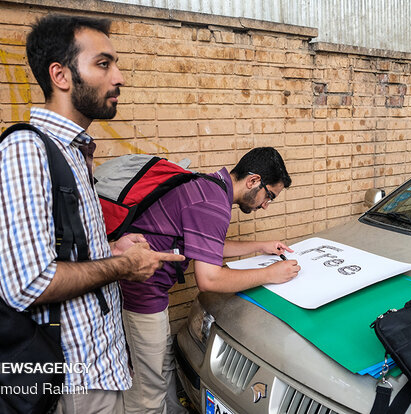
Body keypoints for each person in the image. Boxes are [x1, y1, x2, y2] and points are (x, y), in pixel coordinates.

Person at [0, 14, 183, 414]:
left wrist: (110, 247)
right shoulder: (27, 153)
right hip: (72, 381)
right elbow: (27, 282)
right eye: (104, 64)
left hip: (99, 369)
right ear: (61, 75)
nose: (119, 77)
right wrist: (124, 265)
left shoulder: (72, 151)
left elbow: (64, 250)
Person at [119, 147, 301, 413]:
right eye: (269, 196)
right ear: (253, 181)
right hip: (142, 294)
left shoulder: (209, 185)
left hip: (148, 290)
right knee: (148, 387)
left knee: (162, 365)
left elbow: (206, 244)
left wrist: (260, 246)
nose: (265, 205)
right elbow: (210, 279)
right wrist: (270, 274)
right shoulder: (213, 204)